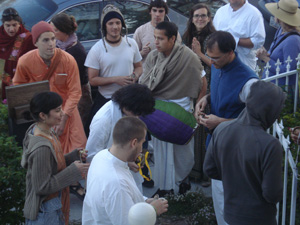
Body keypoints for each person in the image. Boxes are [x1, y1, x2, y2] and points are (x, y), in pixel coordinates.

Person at [195, 31, 258, 225]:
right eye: (209, 57)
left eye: (216, 58)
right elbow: (219, 88)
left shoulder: (249, 81)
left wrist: (220, 122)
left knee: (229, 197)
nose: (211, 62)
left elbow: (258, 120)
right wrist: (206, 99)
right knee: (218, 194)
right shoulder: (219, 65)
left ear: (231, 53)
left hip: (235, 148)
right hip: (215, 143)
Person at [203, 81, 285, 225]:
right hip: (259, 218)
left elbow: (209, 169)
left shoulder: (221, 129)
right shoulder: (271, 145)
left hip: (230, 214)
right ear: (270, 110)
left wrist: (234, 178)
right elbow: (272, 194)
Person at [139, 21, 205, 194]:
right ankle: (164, 188)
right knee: (161, 151)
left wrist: (197, 106)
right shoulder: (153, 56)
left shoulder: (188, 57)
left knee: (182, 152)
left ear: (173, 39)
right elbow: (146, 81)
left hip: (180, 111)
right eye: (155, 38)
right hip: (159, 111)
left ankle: (183, 180)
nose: (156, 42)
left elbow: (202, 80)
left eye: (160, 39)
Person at [13, 21, 87, 155]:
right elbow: (18, 90)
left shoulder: (68, 60)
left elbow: (75, 92)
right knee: (48, 155)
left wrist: (63, 118)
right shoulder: (25, 62)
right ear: (35, 43)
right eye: (45, 40)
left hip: (68, 113)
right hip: (44, 117)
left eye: (53, 39)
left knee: (78, 152)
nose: (51, 43)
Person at [82, 117, 168, 225]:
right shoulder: (117, 183)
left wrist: (144, 201)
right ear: (134, 143)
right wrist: (152, 210)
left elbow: (126, 197)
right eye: (142, 143)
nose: (141, 150)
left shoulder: (101, 156)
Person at [21, 91, 90, 225]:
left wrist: (73, 156)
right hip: (45, 211)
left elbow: (51, 164)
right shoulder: (41, 147)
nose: (63, 113)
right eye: (58, 110)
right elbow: (42, 186)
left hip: (53, 206)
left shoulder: (47, 130)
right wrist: (73, 171)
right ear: (43, 115)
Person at [84, 4, 142, 135]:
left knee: (133, 137)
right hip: (107, 100)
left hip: (130, 99)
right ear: (104, 26)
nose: (115, 27)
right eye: (110, 23)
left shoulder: (131, 43)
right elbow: (92, 80)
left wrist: (134, 76)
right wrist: (116, 80)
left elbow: (139, 67)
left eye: (118, 22)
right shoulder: (96, 50)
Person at [85, 83, 155, 192]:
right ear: (127, 105)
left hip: (125, 173)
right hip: (108, 178)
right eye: (137, 113)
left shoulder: (129, 111)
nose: (138, 117)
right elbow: (92, 155)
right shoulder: (104, 120)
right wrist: (125, 163)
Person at [51, 13, 92, 127]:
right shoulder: (58, 45)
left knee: (74, 125)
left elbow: (76, 80)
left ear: (64, 31)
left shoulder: (77, 51)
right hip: (63, 92)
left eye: (55, 30)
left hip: (78, 95)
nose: (52, 33)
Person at [256, 0, 300, 89]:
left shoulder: (293, 40)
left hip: (281, 88)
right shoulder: (281, 30)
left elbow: (288, 70)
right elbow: (275, 55)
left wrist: (265, 58)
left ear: (279, 18)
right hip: (271, 83)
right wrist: (265, 54)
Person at [213, 0, 265, 70]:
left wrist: (233, 40)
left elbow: (258, 41)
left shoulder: (254, 14)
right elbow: (213, 34)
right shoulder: (220, 12)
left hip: (243, 65)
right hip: (220, 65)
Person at [0, 8, 35, 99]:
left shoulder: (28, 38)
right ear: (3, 24)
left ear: (19, 23)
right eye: (8, 25)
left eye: (14, 25)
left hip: (21, 84)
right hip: (2, 85)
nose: (11, 29)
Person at [133, 0, 181, 66]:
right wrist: (142, 53)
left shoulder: (173, 31)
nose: (157, 14)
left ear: (165, 13)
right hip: (147, 73)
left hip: (167, 72)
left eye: (161, 11)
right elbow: (132, 57)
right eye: (154, 10)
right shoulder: (141, 30)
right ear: (150, 12)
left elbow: (179, 54)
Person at [182, 3, 215, 89]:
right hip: (190, 82)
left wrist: (199, 53)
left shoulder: (214, 38)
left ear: (208, 19)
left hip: (209, 84)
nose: (200, 19)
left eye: (203, 16)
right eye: (196, 16)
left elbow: (216, 65)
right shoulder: (187, 36)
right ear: (192, 19)